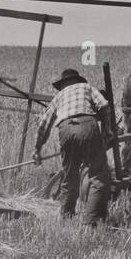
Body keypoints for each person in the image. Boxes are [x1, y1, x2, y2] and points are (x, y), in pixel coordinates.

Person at [33, 69, 113, 226]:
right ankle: (91, 222)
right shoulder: (87, 87)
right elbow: (104, 105)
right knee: (97, 175)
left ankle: (66, 218)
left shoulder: (59, 96)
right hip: (87, 126)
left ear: (63, 84)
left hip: (65, 130)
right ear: (78, 80)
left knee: (70, 177)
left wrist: (37, 149)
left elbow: (44, 123)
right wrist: (107, 131)